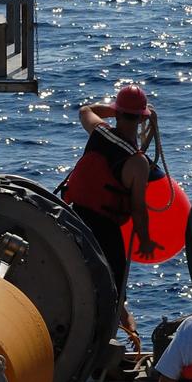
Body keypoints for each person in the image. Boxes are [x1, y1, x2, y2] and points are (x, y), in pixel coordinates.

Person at [62, 84, 160, 339]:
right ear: (141, 119)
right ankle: (118, 345)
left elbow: (86, 110)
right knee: (115, 296)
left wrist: (115, 109)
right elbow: (138, 209)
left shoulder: (99, 132)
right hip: (104, 229)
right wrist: (146, 240)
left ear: (116, 114)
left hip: (73, 216)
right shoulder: (137, 162)